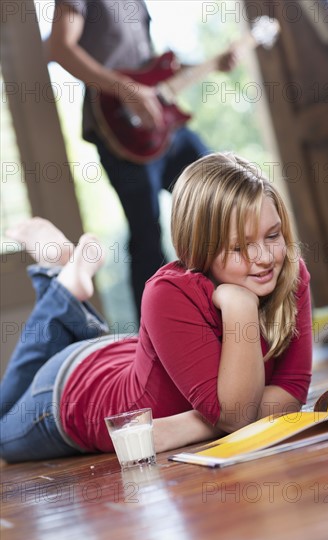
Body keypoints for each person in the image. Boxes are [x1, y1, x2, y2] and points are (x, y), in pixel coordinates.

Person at [0, 152, 313, 463]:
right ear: (196, 249)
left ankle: (61, 276)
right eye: (239, 247)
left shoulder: (288, 273)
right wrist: (240, 308)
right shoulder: (166, 293)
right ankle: (58, 281)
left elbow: (289, 392)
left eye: (273, 235)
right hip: (71, 395)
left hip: (122, 356)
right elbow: (238, 418)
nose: (265, 257)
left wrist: (190, 424)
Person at [46, 0, 238, 320]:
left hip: (165, 129)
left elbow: (151, 70)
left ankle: (275, 316)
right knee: (148, 236)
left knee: (229, 196)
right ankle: (158, 346)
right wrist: (124, 88)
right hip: (118, 131)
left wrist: (215, 63)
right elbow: (60, 48)